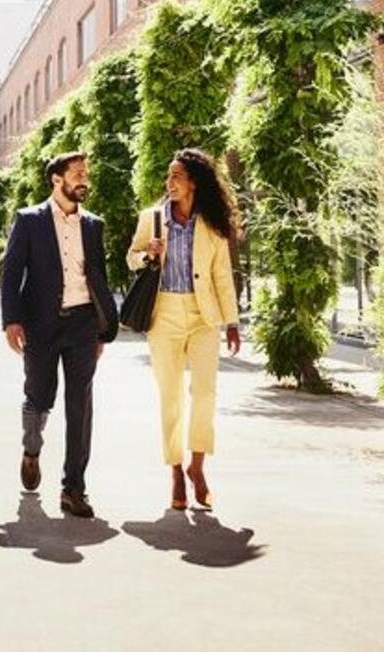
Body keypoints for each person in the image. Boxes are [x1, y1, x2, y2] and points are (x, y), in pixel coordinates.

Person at [0, 152, 119, 518]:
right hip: (41, 323)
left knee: (80, 405)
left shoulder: (93, 225)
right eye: (78, 174)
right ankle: (32, 449)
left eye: (86, 174)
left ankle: (73, 489)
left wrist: (102, 327)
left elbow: (98, 276)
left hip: (83, 324)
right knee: (39, 394)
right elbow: (12, 273)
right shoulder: (29, 220)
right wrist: (11, 320)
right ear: (56, 179)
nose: (85, 180)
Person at [127, 148, 242, 511]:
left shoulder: (211, 222)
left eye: (176, 176)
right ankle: (175, 471)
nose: (169, 182)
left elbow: (222, 275)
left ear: (194, 181)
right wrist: (149, 253)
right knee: (170, 395)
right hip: (164, 315)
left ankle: (198, 466)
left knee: (205, 393)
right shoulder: (153, 218)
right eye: (168, 176)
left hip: (203, 315)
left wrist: (232, 321)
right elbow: (131, 257)